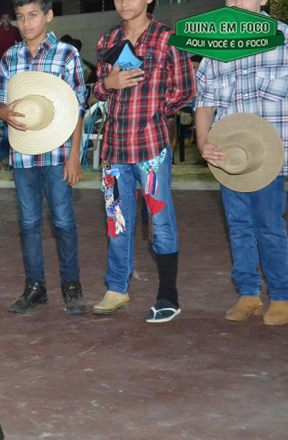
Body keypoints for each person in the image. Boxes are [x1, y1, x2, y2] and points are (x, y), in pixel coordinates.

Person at [91, 0, 193, 323]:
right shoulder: (107, 40)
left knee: (160, 222)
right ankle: (117, 289)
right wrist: (108, 84)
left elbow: (185, 89)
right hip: (113, 150)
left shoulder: (167, 38)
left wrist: (153, 112)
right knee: (117, 221)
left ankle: (168, 296)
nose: (124, 2)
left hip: (151, 149)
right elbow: (98, 90)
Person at [195, 0, 288, 326]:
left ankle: (283, 295)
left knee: (268, 224)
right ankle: (248, 294)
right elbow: (204, 101)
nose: (236, 2)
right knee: (238, 224)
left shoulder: (287, 39)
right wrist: (202, 141)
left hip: (269, 156)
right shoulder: (215, 46)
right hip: (230, 157)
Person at [0, 0, 88, 316]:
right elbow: (0, 103)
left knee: (63, 220)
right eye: (20, 17)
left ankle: (71, 285)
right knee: (28, 223)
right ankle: (35, 287)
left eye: (33, 16)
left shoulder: (67, 54)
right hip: (22, 153)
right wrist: (3, 112)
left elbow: (78, 107)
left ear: (48, 16)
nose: (26, 23)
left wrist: (75, 155)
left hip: (58, 152)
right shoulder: (9, 57)